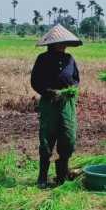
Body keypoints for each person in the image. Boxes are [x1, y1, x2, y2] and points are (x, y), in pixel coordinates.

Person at [30, 25, 82, 189]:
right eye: (60, 43)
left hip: (67, 104)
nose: (63, 45)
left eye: (64, 43)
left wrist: (71, 91)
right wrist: (49, 92)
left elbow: (76, 80)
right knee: (47, 139)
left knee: (68, 138)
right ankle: (42, 178)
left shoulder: (69, 59)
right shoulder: (42, 59)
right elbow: (35, 81)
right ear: (51, 44)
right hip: (49, 104)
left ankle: (61, 176)